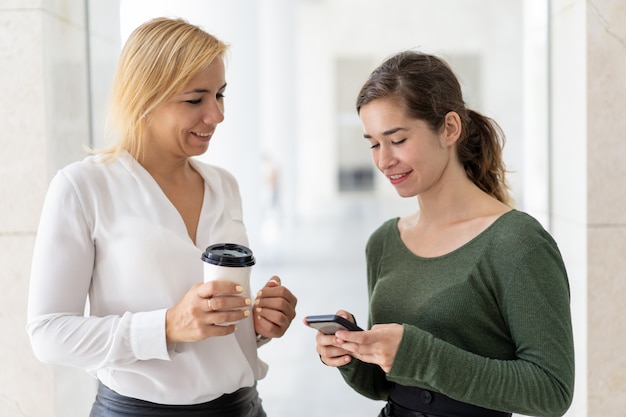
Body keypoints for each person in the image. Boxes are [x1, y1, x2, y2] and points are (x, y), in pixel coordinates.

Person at [26, 17, 297, 417]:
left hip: (243, 408)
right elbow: (48, 334)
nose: (217, 115)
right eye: (195, 100)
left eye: (221, 95)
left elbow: (216, 332)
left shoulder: (225, 186)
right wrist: (166, 326)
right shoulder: (83, 187)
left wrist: (256, 325)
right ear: (144, 98)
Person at [309, 51, 574, 417]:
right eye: (373, 143)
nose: (383, 160)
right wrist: (351, 355)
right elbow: (386, 385)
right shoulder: (384, 242)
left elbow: (551, 390)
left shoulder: (517, 242)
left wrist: (418, 354)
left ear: (449, 128)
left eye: (397, 139)